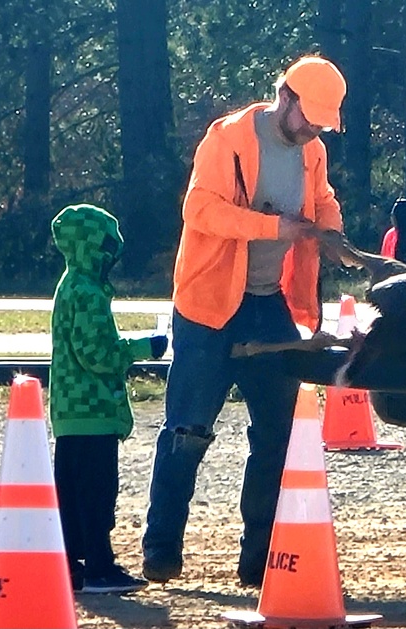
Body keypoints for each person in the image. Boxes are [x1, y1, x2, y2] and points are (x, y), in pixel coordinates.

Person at [141, 55, 348, 587]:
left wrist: (332, 237)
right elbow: (200, 211)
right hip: (208, 305)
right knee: (187, 432)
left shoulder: (314, 152)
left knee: (278, 435)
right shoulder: (228, 138)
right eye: (312, 117)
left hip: (266, 302)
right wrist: (272, 228)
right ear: (286, 97)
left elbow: (322, 201)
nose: (315, 129)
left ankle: (259, 564)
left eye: (324, 122)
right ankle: (160, 551)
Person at [49, 203, 169, 594]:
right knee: (98, 493)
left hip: (69, 413)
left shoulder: (69, 285)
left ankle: (72, 564)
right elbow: (98, 354)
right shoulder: (87, 293)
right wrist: (142, 348)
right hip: (92, 410)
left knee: (71, 495)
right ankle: (99, 566)